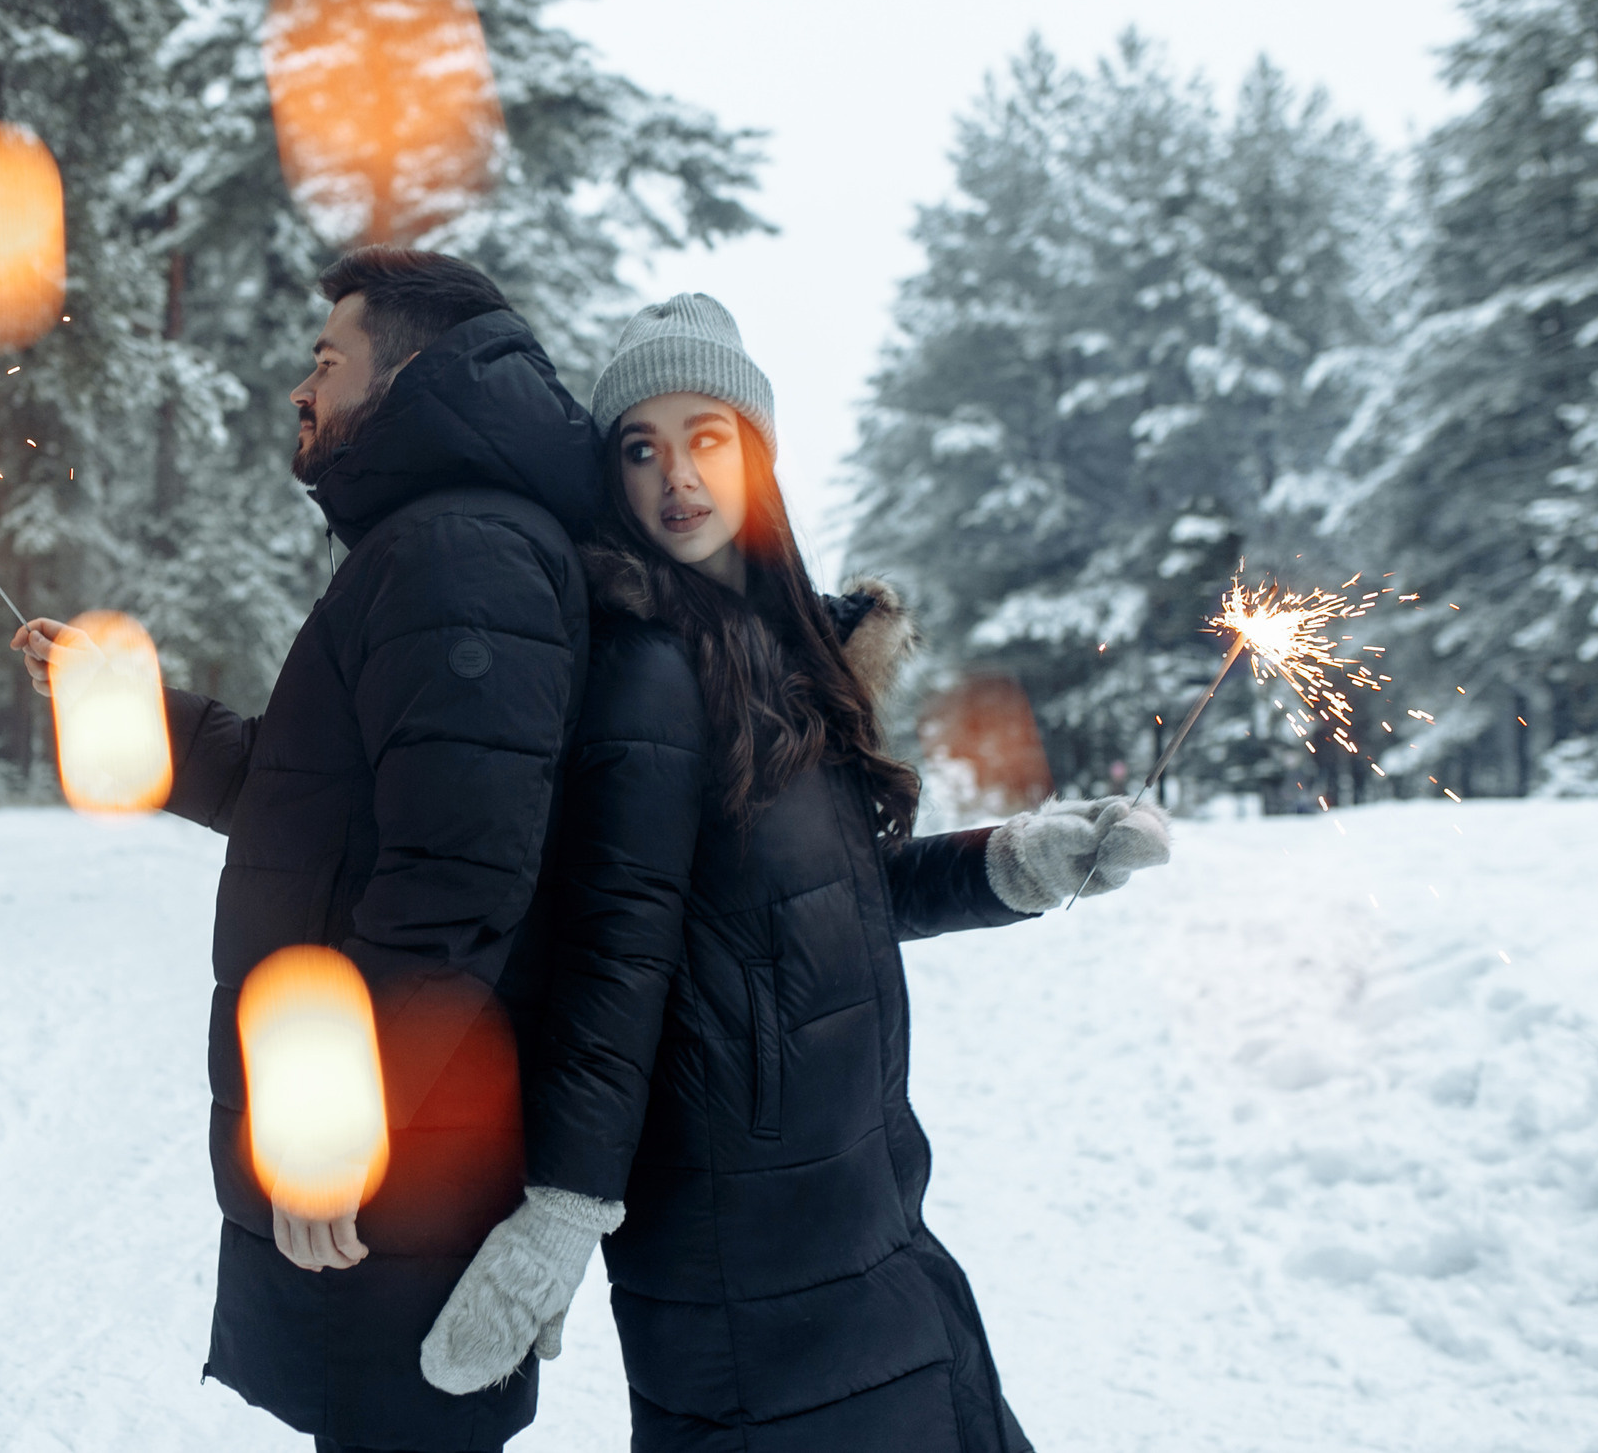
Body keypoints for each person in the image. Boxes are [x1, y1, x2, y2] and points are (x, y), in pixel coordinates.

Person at [416, 293, 1171, 1450]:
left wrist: (1012, 863)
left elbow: (824, 901)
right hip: (744, 1243)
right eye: (639, 448)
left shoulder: (784, 654)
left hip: (860, 1200)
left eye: (705, 438)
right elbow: (616, 955)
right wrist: (564, 1205)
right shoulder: (642, 669)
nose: (676, 477)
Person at [13, 248, 600, 1453]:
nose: (301, 387)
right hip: (405, 1169)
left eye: (327, 361)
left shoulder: (460, 559)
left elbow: (454, 884)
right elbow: (316, 803)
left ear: (412, 376)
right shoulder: (431, 550)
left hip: (406, 1171)